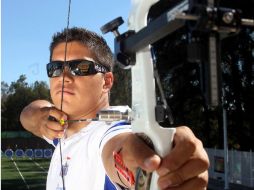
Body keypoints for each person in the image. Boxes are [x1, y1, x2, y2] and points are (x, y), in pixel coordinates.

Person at [20, 27, 209, 190]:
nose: (63, 77)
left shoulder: (108, 129)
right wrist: (40, 117)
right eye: (56, 68)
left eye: (81, 67)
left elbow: (121, 147)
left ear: (107, 81)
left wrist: (151, 162)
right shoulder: (62, 126)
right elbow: (27, 114)